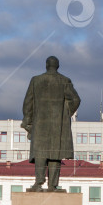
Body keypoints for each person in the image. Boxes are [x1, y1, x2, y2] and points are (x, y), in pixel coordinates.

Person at [21, 56, 81, 192]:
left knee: (40, 153)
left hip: (40, 124)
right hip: (58, 125)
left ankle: (38, 183)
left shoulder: (36, 80)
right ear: (57, 66)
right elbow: (76, 99)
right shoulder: (64, 81)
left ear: (46, 65)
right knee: (55, 154)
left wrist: (28, 121)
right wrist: (65, 114)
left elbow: (27, 103)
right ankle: (52, 185)